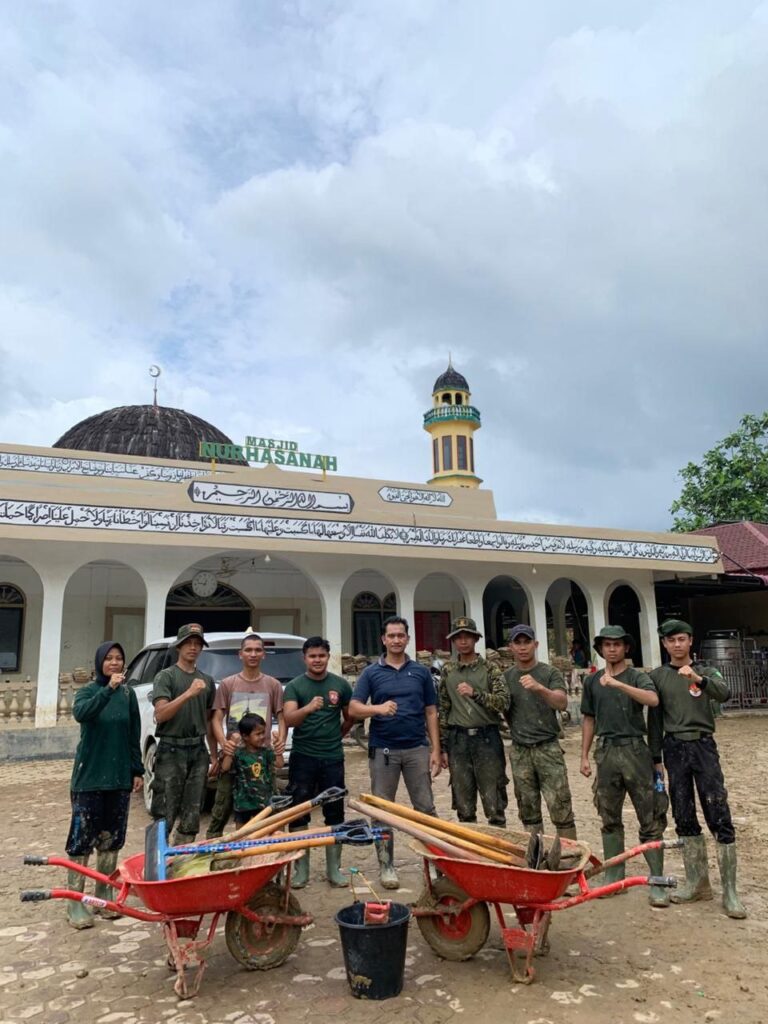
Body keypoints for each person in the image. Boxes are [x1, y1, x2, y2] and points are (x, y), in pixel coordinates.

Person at [649, 619, 746, 919]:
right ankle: (697, 883)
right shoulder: (658, 677)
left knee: (718, 811)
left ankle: (730, 891)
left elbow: (724, 693)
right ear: (664, 644)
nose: (676, 644)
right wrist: (655, 758)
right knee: (683, 813)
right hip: (674, 748)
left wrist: (698, 679)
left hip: (703, 746)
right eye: (671, 640)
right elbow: (655, 720)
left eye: (681, 639)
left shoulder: (707, 671)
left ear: (690, 641)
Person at [349, 615, 442, 890]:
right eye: (391, 635)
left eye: (401, 635)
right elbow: (354, 708)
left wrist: (436, 750)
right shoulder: (371, 673)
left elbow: (431, 712)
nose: (396, 640)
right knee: (382, 809)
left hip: (416, 749)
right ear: (383, 639)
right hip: (383, 750)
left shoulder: (421, 672)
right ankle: (386, 864)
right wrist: (377, 709)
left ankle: (434, 861)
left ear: (408, 639)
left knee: (425, 808)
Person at [580, 626, 668, 907]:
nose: (612, 649)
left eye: (617, 644)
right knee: (608, 815)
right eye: (607, 645)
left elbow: (652, 700)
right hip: (606, 751)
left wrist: (618, 685)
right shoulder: (592, 681)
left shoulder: (637, 677)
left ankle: (657, 881)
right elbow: (589, 719)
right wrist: (584, 755)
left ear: (626, 648)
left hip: (635, 750)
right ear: (600, 649)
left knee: (649, 815)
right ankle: (614, 877)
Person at [64, 641, 144, 929]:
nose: (114, 663)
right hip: (89, 778)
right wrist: (108, 689)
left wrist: (137, 770)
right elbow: (82, 714)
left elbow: (133, 734)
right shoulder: (89, 692)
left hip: (119, 778)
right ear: (99, 663)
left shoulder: (128, 695)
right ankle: (75, 901)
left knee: (111, 839)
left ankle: (104, 893)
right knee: (81, 841)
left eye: (118, 658)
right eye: (108, 658)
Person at [283, 637, 354, 888]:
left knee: (335, 811)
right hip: (303, 757)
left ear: (328, 657)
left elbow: (350, 717)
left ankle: (334, 869)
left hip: (333, 757)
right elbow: (290, 719)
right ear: (304, 658)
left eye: (321, 655)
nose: (317, 660)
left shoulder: (340, 685)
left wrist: (337, 736)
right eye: (312, 656)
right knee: (298, 812)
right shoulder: (294, 686)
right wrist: (308, 709)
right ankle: (301, 870)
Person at [206, 632, 286, 838]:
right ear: (240, 654)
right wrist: (224, 744)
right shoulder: (228, 684)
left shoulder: (273, 685)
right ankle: (214, 852)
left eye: (258, 650)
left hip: (262, 758)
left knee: (269, 812)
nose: (253, 654)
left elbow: (281, 717)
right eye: (248, 650)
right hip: (233, 758)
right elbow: (216, 718)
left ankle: (269, 853)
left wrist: (280, 742)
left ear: (264, 654)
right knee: (221, 810)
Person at [504, 624, 577, 840]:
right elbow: (504, 710)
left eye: (527, 642)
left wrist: (539, 688)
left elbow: (562, 703)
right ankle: (535, 853)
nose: (523, 647)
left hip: (548, 748)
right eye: (518, 643)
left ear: (535, 645)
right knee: (528, 810)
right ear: (511, 647)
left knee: (561, 806)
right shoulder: (506, 677)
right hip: (520, 751)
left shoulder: (549, 673)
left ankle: (569, 854)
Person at [437, 616, 508, 827]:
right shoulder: (448, 671)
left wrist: (476, 694)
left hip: (487, 739)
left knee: (494, 803)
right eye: (458, 637)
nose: (463, 641)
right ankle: (469, 844)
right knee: (463, 804)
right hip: (458, 740)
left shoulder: (490, 669)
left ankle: (497, 844)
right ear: (453, 641)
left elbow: (503, 703)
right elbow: (444, 708)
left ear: (476, 639)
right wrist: (443, 746)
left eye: (468, 636)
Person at [150, 623, 216, 845]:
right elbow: (161, 714)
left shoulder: (207, 681)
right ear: (179, 646)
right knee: (164, 811)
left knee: (192, 813)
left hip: (198, 750)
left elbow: (208, 719)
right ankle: (156, 859)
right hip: (171, 748)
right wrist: (188, 693)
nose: (193, 648)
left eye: (198, 644)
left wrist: (213, 754)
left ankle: (180, 859)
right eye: (188, 643)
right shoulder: (166, 677)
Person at [220, 713, 283, 827]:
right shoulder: (238, 754)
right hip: (243, 802)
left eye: (263, 732)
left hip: (265, 801)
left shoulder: (266, 752)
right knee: (242, 833)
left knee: (269, 831)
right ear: (245, 736)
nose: (262, 736)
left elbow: (279, 764)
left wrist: (278, 750)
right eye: (258, 734)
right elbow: (225, 767)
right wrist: (231, 748)